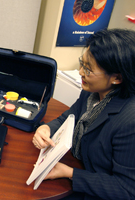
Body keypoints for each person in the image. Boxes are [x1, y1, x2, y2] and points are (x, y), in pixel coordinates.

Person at [32, 28, 135, 200]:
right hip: (77, 165)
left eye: (88, 69)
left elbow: (126, 189)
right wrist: (46, 129)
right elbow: (69, 117)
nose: (80, 72)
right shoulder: (91, 92)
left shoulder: (129, 121)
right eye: (82, 63)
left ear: (116, 78)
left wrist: (70, 173)